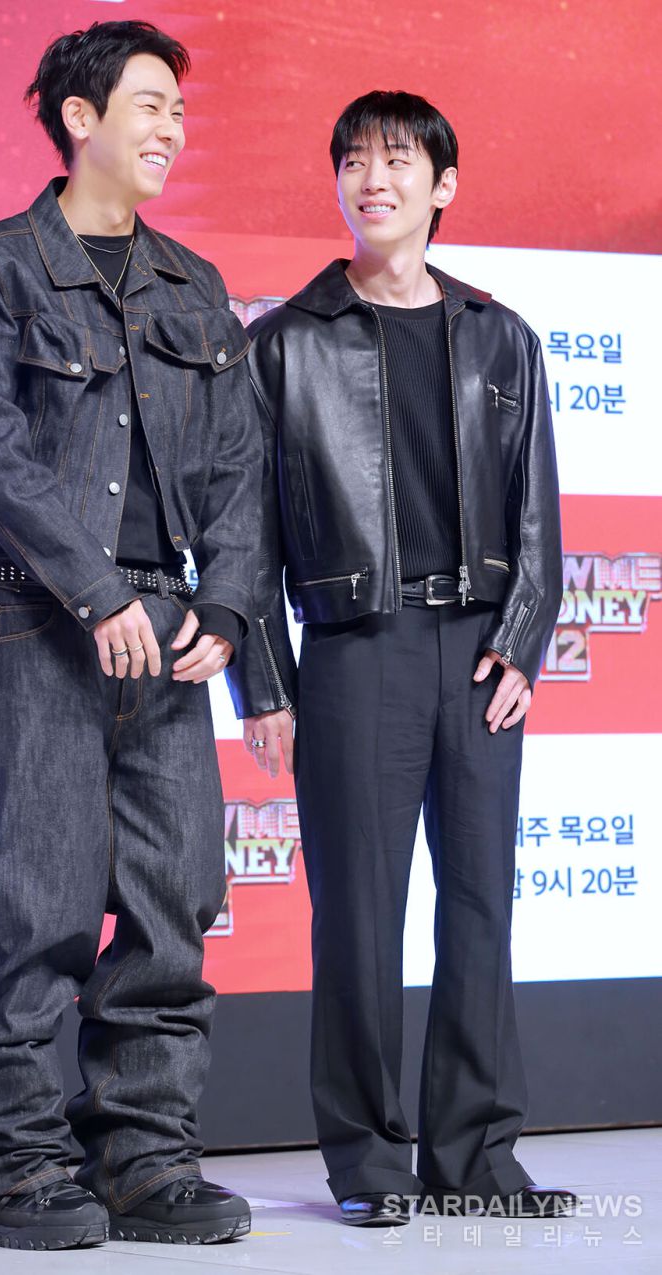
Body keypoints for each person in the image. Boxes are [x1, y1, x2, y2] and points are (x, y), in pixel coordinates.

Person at [0, 19, 259, 1251]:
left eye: (180, 111)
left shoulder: (194, 285)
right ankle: (15, 1170)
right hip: (38, 621)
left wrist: (224, 605)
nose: (173, 129)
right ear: (81, 117)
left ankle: (144, 1161)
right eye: (151, 104)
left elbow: (237, 468)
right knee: (41, 907)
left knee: (174, 907)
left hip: (167, 637)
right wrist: (94, 593)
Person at [226, 90, 576, 1227]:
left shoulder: (502, 336)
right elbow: (247, 537)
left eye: (397, 161)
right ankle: (370, 1164)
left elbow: (538, 513)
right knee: (359, 918)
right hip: (353, 651)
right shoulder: (282, 343)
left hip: (478, 657)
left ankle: (475, 1158)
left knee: (480, 908)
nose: (373, 180)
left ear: (443, 186)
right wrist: (263, 682)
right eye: (354, 163)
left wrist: (522, 643)